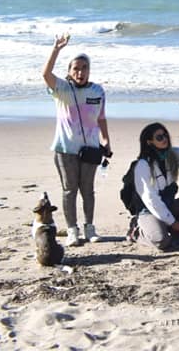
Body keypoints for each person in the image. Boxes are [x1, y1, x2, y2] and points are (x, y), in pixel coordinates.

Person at [42, 34, 112, 247]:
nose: (80, 72)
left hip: (91, 149)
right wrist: (56, 49)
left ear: (89, 70)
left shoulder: (97, 91)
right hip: (65, 149)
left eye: (84, 68)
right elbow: (45, 74)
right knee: (69, 190)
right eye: (76, 68)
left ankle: (89, 228)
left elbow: (101, 117)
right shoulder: (61, 88)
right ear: (70, 71)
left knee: (88, 190)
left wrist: (106, 140)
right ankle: (72, 230)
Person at [128, 123, 179, 251]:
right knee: (161, 241)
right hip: (149, 210)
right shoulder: (143, 165)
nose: (164, 139)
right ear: (149, 142)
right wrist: (172, 222)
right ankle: (136, 231)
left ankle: (167, 225)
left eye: (165, 135)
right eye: (159, 137)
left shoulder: (171, 155)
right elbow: (151, 199)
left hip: (169, 204)